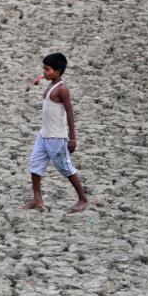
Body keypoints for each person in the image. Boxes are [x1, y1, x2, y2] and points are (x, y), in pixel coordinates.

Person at [23, 53, 89, 213]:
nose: (44, 72)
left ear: (58, 71)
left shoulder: (62, 89)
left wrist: (72, 138)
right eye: (43, 69)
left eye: (47, 69)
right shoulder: (50, 84)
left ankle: (82, 199)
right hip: (43, 135)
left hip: (56, 137)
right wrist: (39, 78)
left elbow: (70, 113)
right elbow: (45, 80)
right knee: (35, 166)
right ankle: (37, 199)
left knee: (65, 168)